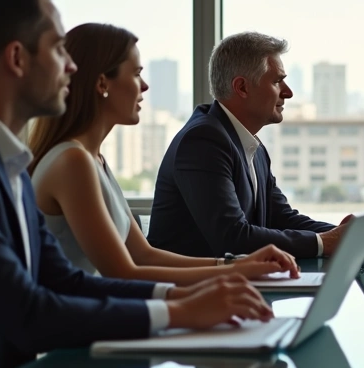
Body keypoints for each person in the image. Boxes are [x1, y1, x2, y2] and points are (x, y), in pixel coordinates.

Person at [0, 0, 273, 368]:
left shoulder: (2, 157)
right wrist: (181, 313)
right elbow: (28, 312)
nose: (70, 66)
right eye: (58, 48)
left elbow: (64, 281)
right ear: (17, 58)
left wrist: (187, 297)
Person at [26, 23, 300, 285]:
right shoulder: (73, 162)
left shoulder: (93, 160)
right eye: (135, 74)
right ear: (102, 84)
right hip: (83, 325)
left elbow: (144, 255)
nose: (145, 86)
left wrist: (237, 266)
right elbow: (125, 273)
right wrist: (229, 276)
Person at [148, 32, 348, 259]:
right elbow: (233, 237)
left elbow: (279, 217)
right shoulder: (203, 141)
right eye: (276, 81)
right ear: (242, 87)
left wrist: (343, 234)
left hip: (233, 284)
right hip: (188, 290)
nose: (288, 92)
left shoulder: (250, 144)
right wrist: (324, 242)